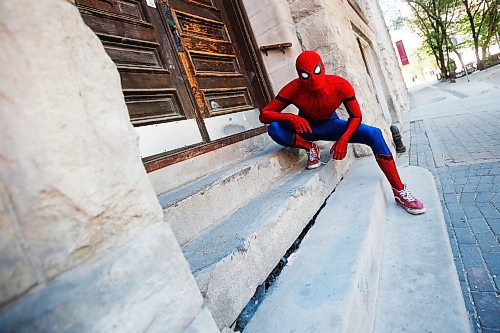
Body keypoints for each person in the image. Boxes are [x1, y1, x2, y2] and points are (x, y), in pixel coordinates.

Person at [259, 50, 425, 215]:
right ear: (299, 75)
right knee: (274, 128)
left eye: (316, 72)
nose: (312, 79)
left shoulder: (340, 84)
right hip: (307, 129)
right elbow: (264, 115)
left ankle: (399, 190)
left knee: (374, 134)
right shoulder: (293, 88)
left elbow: (356, 116)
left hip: (333, 126)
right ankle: (310, 148)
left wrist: (343, 140)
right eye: (305, 75)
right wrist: (290, 117)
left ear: (322, 68)